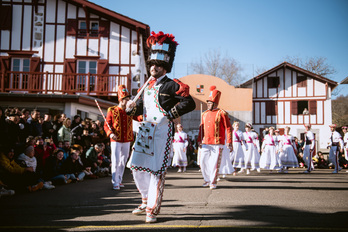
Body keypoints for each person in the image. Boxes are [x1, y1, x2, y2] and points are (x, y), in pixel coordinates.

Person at [126, 31, 195, 223]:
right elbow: (139, 109)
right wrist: (130, 109)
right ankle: (145, 199)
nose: (153, 67)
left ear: (164, 67)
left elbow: (189, 103)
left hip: (162, 134)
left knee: (156, 171)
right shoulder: (146, 87)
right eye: (151, 65)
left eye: (157, 65)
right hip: (145, 132)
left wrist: (169, 115)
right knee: (135, 166)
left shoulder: (172, 85)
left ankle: (152, 209)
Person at [104, 85, 142, 190]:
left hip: (127, 139)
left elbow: (138, 118)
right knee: (115, 161)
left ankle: (119, 180)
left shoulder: (130, 110)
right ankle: (114, 181)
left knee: (123, 161)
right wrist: (110, 134)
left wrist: (144, 115)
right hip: (115, 138)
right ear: (121, 100)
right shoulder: (112, 110)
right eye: (127, 99)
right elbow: (107, 125)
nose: (129, 101)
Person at [197, 85, 232, 189]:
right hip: (206, 142)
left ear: (215, 103)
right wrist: (199, 140)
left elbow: (229, 128)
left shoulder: (222, 113)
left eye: (210, 102)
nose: (208, 104)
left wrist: (229, 141)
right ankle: (206, 179)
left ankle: (213, 181)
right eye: (207, 102)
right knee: (203, 162)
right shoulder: (204, 114)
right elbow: (201, 128)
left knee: (214, 164)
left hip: (217, 142)